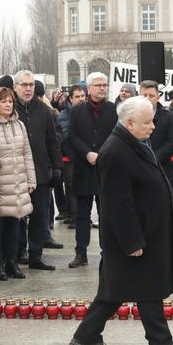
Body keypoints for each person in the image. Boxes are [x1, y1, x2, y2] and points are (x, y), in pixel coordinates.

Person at [69, 96, 173, 345]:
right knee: (148, 290)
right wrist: (132, 240)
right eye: (147, 122)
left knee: (115, 289)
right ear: (129, 123)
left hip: (144, 233)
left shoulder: (135, 143)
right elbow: (117, 203)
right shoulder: (115, 151)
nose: (152, 126)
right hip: (133, 237)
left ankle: (86, 335)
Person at [0, 87, 35, 281]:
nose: (8, 105)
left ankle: (12, 262)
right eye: (3, 101)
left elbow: (27, 153)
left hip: (17, 181)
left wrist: (31, 179)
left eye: (10, 101)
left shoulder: (19, 124)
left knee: (15, 225)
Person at [14, 70, 65, 270]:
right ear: (15, 87)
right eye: (24, 85)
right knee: (17, 217)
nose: (28, 89)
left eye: (31, 85)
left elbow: (53, 141)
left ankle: (36, 255)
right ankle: (18, 253)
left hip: (41, 172)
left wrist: (57, 166)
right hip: (17, 173)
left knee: (39, 216)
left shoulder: (44, 110)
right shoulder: (10, 108)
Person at [67, 72, 118, 268]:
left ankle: (108, 252)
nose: (103, 88)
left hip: (106, 170)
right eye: (98, 85)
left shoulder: (114, 110)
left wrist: (103, 154)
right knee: (82, 214)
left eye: (105, 85)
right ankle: (81, 253)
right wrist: (87, 153)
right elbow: (72, 136)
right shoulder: (77, 111)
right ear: (89, 88)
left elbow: (117, 135)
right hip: (84, 168)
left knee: (106, 213)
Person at [139, 80, 173, 191]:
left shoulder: (169, 117)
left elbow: (172, 142)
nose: (147, 98)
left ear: (157, 98)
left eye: (151, 95)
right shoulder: (132, 117)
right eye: (144, 95)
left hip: (163, 169)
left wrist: (153, 158)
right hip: (138, 169)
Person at [58, 85, 86, 229]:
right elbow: (66, 136)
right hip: (71, 158)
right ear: (70, 99)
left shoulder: (87, 111)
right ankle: (74, 216)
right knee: (72, 188)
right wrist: (76, 154)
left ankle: (75, 215)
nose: (81, 99)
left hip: (84, 156)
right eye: (77, 97)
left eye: (82, 96)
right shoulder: (64, 114)